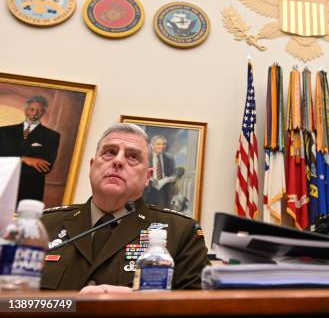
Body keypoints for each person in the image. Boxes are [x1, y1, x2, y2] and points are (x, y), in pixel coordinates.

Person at [40, 123, 210, 292]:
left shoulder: (181, 231)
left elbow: (204, 308)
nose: (118, 161)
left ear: (147, 177)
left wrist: (137, 306)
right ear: (92, 166)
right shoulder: (42, 225)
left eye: (133, 157)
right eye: (109, 152)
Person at [0, 96, 60, 203]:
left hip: (31, 191)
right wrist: (23, 159)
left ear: (43, 112)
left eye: (39, 110)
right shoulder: (4, 131)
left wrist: (9, 158)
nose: (35, 113)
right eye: (32, 109)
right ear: (25, 110)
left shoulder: (52, 136)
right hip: (3, 185)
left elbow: (46, 167)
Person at [143, 135, 181, 208]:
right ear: (152, 145)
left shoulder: (169, 158)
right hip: (148, 190)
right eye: (159, 144)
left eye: (164, 144)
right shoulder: (145, 157)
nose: (162, 146)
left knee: (162, 214)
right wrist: (150, 179)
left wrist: (169, 179)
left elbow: (174, 173)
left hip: (163, 190)